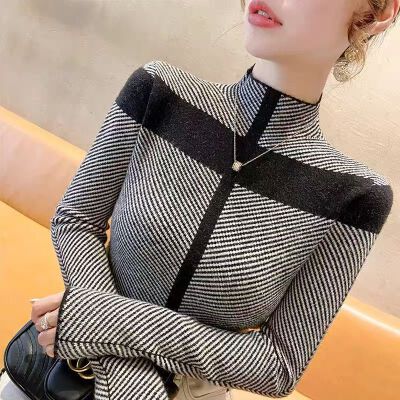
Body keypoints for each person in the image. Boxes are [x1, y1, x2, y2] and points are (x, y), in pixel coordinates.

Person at [15, 1, 397, 400]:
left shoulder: (355, 195)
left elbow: (280, 365)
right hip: (59, 373)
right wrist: (131, 377)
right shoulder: (159, 92)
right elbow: (76, 220)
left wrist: (110, 323)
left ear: (379, 12)